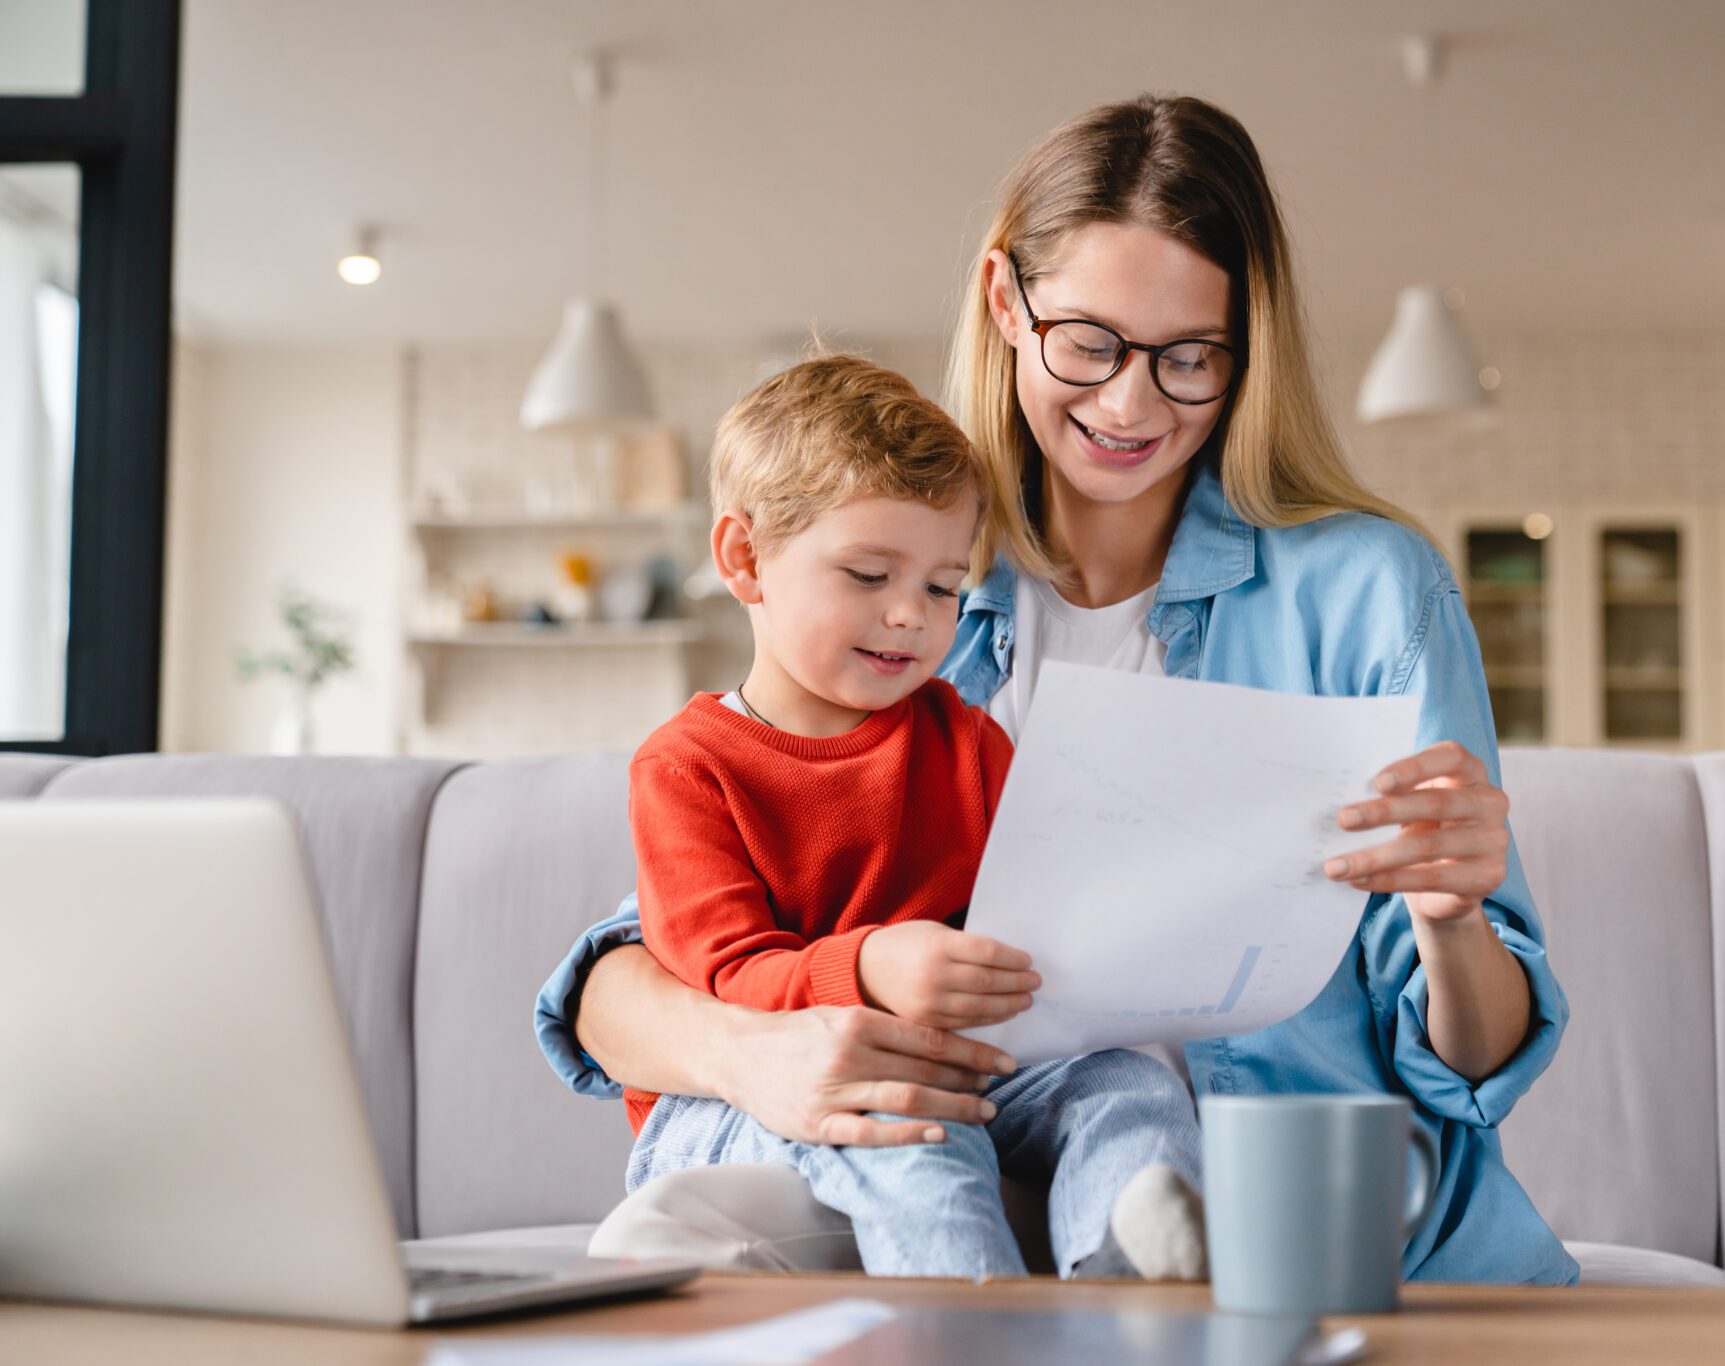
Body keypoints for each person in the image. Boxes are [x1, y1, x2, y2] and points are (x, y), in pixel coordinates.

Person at [537, 93, 1578, 1285]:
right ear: (1003, 304)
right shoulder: (915, 576)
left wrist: (1448, 917)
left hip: (1249, 1184)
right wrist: (755, 1055)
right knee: (679, 1227)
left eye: (1190, 357)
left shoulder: (1363, 593)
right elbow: (633, 971)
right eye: (1088, 342)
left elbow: (1474, 1058)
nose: (1131, 405)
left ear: (1247, 350)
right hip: (963, 1152)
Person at [620, 354, 1205, 1279]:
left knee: (1128, 1083)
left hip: (954, 1063)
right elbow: (724, 976)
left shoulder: (968, 740)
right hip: (744, 1102)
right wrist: (872, 966)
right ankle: (976, 1336)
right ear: (744, 559)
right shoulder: (687, 767)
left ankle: (1123, 1269)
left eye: (942, 587)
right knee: (911, 1126)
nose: (909, 617)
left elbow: (1044, 910)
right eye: (866, 574)